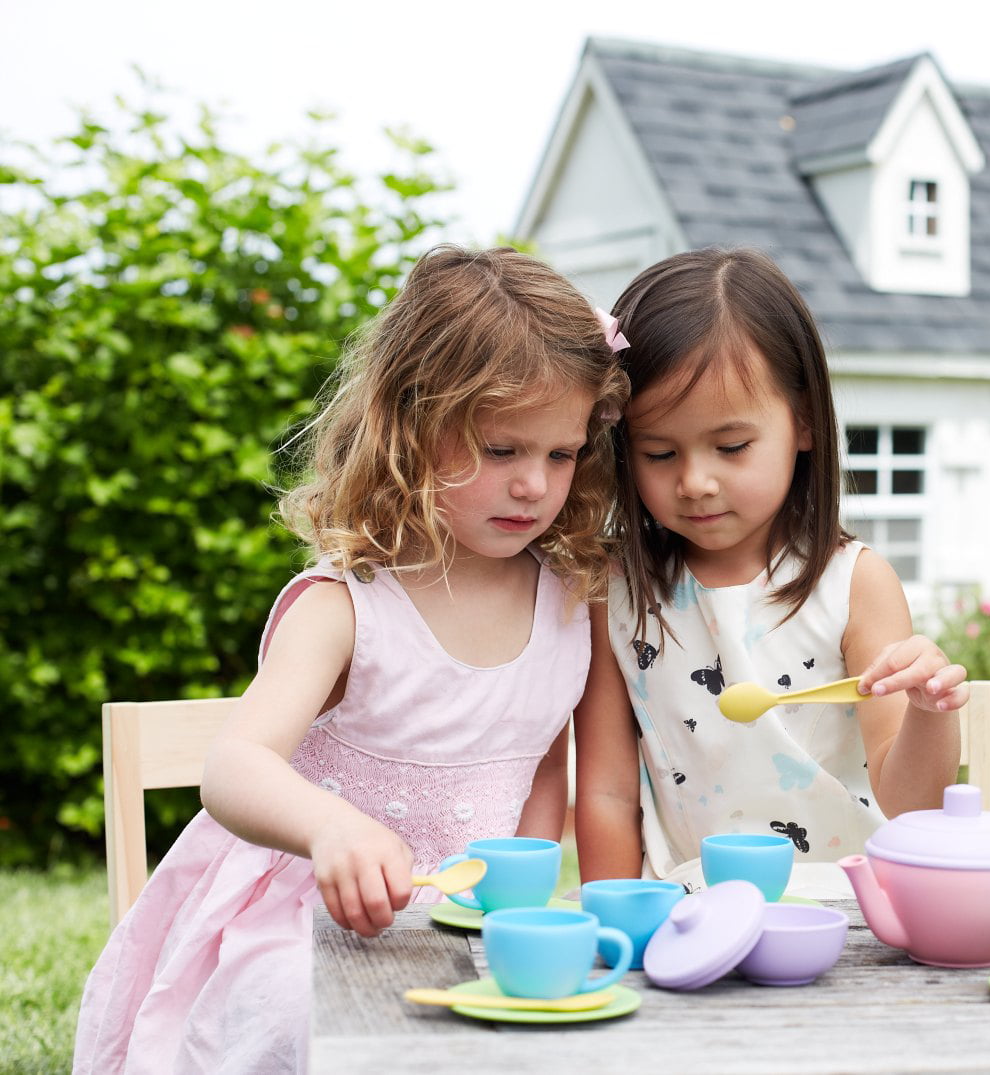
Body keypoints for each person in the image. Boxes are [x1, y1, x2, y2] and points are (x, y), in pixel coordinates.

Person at [74, 245, 628, 1074]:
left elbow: (543, 761)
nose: (534, 486)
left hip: (458, 922)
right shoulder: (347, 604)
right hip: (300, 921)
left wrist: (516, 901)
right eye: (501, 449)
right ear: (410, 425)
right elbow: (232, 765)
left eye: (561, 454)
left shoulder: (570, 595)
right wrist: (331, 828)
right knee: (300, 1021)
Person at [573, 247, 968, 898]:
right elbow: (608, 792)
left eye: (731, 447)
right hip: (687, 913)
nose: (695, 481)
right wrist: (618, 922)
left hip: (849, 915)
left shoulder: (853, 585)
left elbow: (912, 806)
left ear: (805, 421)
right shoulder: (614, 593)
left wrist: (927, 712)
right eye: (659, 451)